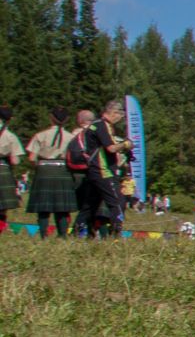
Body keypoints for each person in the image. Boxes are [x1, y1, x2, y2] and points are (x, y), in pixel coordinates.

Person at [76, 99, 130, 239]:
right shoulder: (102, 125)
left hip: (94, 171)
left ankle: (78, 231)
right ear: (113, 112)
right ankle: (117, 233)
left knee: (90, 204)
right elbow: (111, 148)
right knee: (116, 201)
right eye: (120, 115)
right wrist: (125, 144)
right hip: (103, 170)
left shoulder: (94, 125)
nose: (120, 119)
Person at [25, 108, 77, 238]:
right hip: (63, 170)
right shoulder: (72, 138)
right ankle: (63, 235)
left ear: (51, 118)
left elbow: (31, 158)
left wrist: (40, 166)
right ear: (66, 120)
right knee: (62, 207)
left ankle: (43, 235)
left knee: (44, 206)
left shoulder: (40, 135)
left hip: (44, 170)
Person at [0, 107, 20, 234]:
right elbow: (15, 161)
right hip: (2, 169)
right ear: (10, 119)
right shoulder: (10, 136)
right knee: (2, 206)